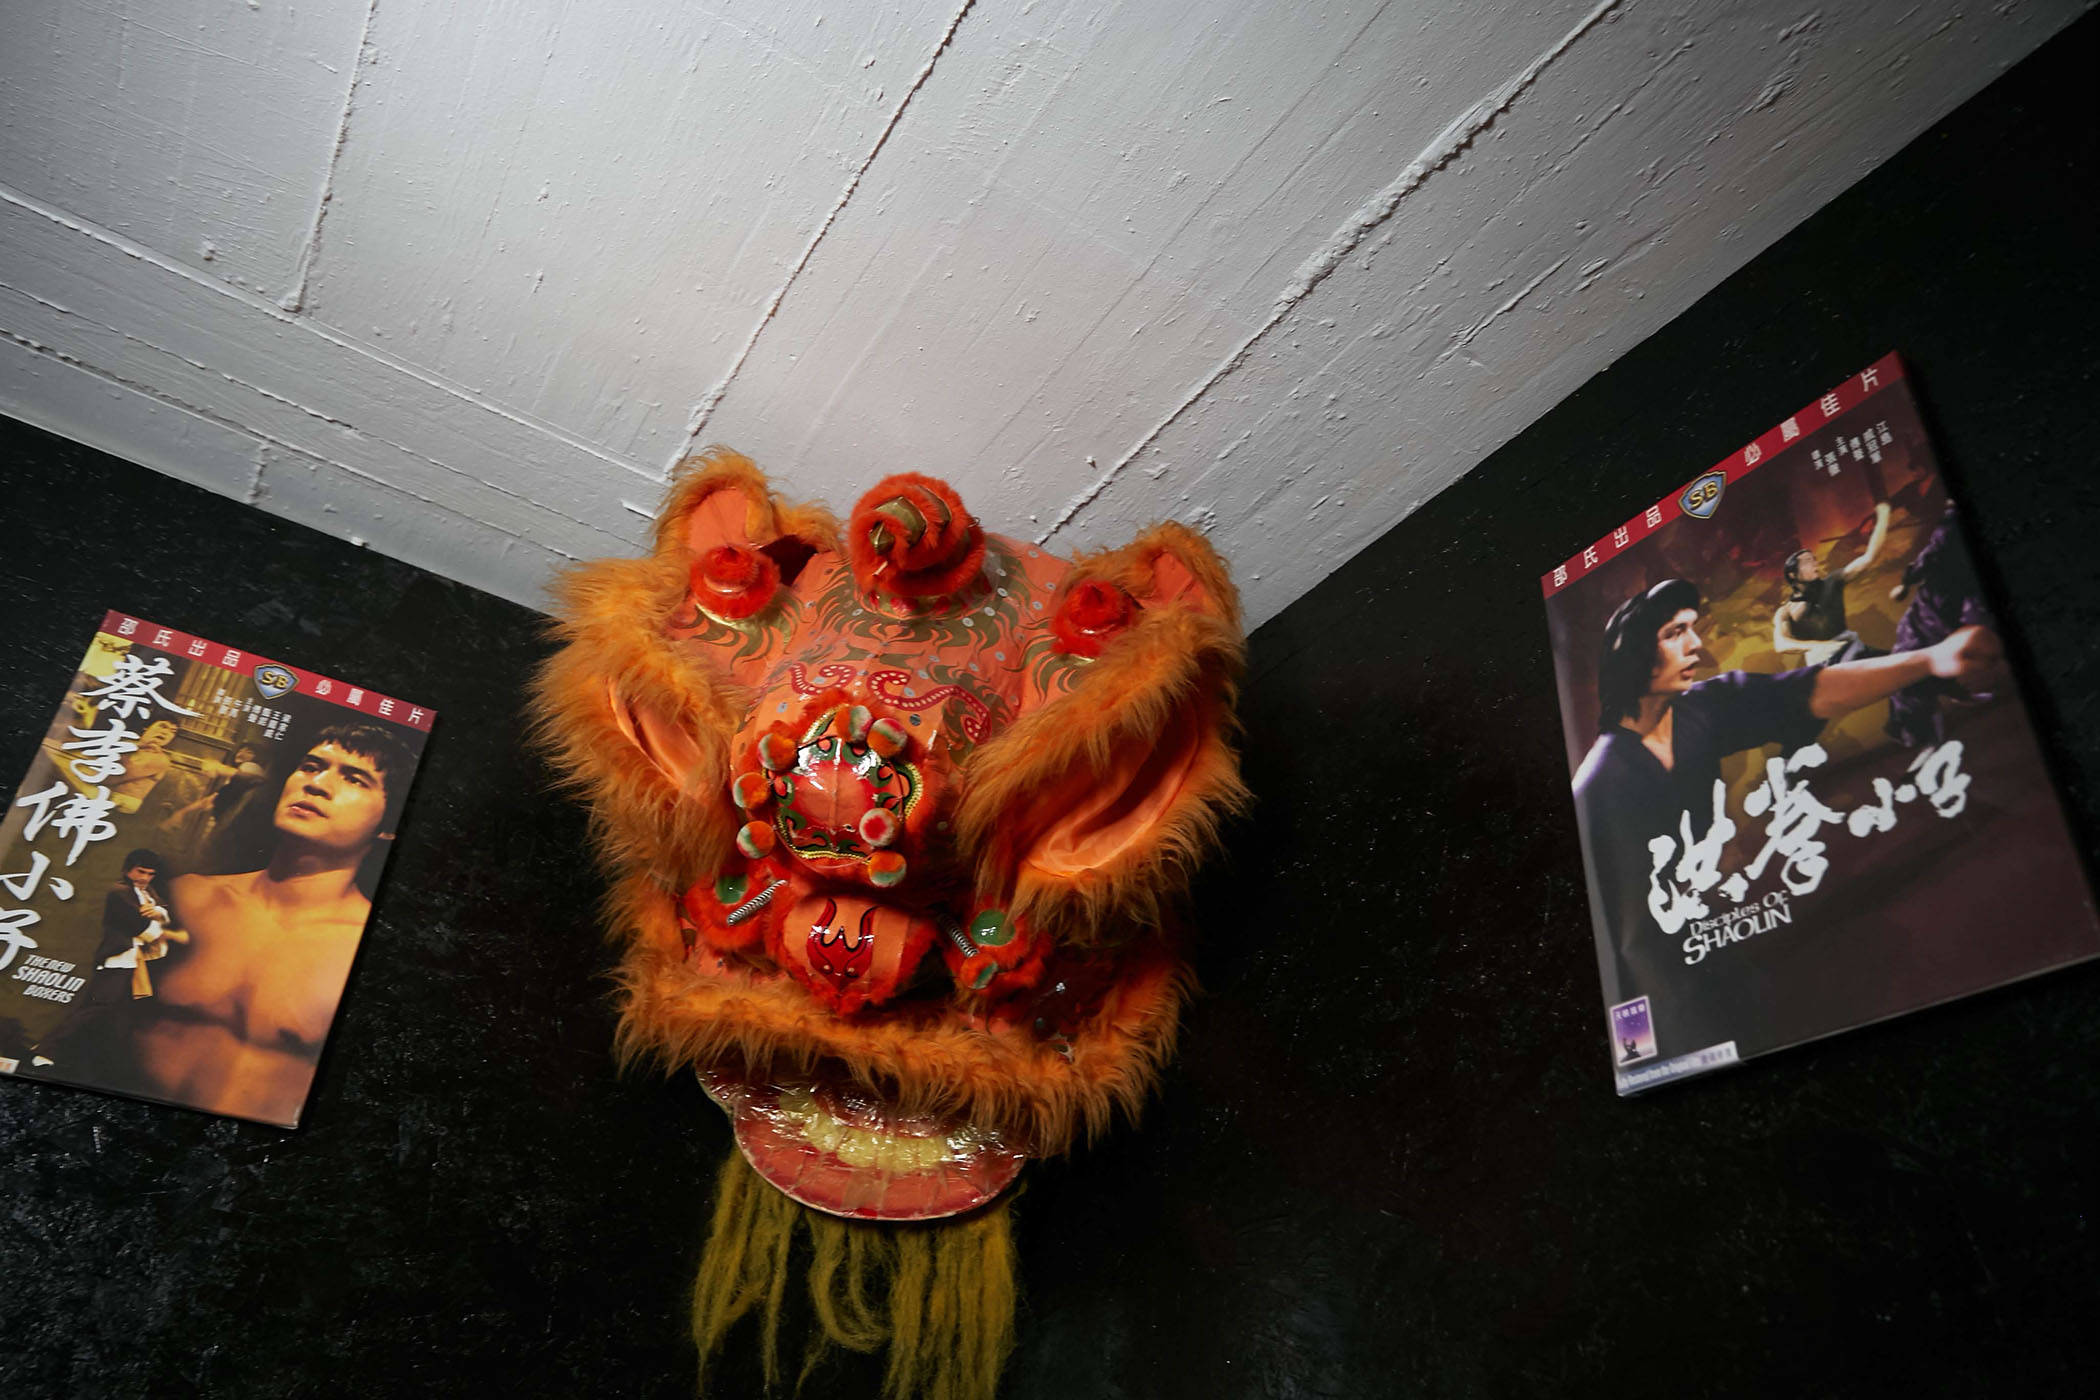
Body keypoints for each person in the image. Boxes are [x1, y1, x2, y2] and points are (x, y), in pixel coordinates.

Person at [1573, 578, 2002, 972]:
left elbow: (1809, 691)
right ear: (1633, 656)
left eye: (1691, 628)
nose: (1695, 644)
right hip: (1668, 967)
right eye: (1674, 633)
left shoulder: (1700, 710)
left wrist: (1931, 659)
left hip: (1723, 937)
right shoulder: (1599, 784)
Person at [122, 722, 412, 1125]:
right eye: (311, 766)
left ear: (390, 826)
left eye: (354, 779)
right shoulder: (187, 897)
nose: (316, 784)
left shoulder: (373, 952)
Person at [32, 849, 188, 1074]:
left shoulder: (146, 891)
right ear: (127, 870)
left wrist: (156, 912)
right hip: (117, 960)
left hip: (134, 961)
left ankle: (83, 1061)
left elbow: (162, 908)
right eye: (140, 871)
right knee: (96, 1008)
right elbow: (139, 927)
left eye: (150, 874)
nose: (145, 878)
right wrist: (171, 934)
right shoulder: (119, 892)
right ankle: (46, 1051)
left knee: (115, 1013)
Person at [1772, 501, 1891, 665]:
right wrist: (1820, 646)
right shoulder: (1785, 611)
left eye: (1814, 560)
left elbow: (1868, 558)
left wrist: (1884, 516)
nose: (1815, 564)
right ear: (1793, 574)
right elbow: (1781, 644)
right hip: (1824, 663)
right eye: (1807, 562)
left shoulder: (1833, 581)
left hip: (1852, 650)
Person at [108, 719, 179, 811]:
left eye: (172, 731)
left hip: (120, 807)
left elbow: (111, 778)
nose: (166, 732)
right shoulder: (126, 744)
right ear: (146, 727)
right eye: (162, 726)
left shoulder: (160, 759)